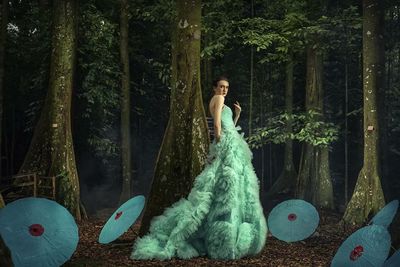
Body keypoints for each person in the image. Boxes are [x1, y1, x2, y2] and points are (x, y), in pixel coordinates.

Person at [130, 76, 267, 260]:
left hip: (231, 143)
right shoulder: (218, 99)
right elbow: (218, 126)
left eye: (226, 87)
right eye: (221, 86)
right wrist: (220, 147)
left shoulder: (221, 101)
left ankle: (223, 230)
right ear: (214, 88)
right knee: (228, 185)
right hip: (228, 146)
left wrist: (237, 115)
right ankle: (221, 235)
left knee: (228, 185)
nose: (224, 90)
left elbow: (228, 127)